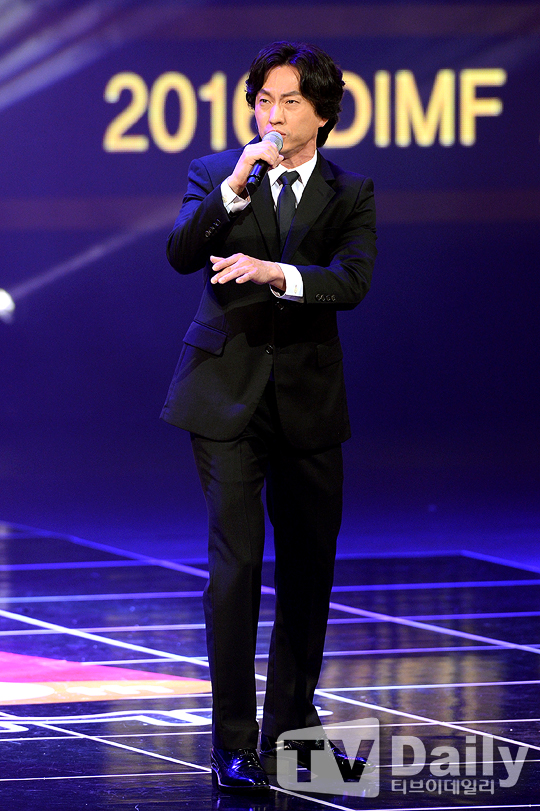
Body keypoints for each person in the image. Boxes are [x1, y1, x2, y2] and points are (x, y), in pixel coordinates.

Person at [161, 40, 377, 791]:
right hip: (224, 394)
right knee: (237, 566)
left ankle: (294, 733)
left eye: (289, 102)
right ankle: (232, 742)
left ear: (322, 114)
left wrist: (275, 272)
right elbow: (180, 252)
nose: (272, 116)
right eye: (262, 101)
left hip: (309, 402)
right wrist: (233, 188)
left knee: (310, 567)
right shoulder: (218, 173)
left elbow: (352, 282)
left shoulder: (350, 192)